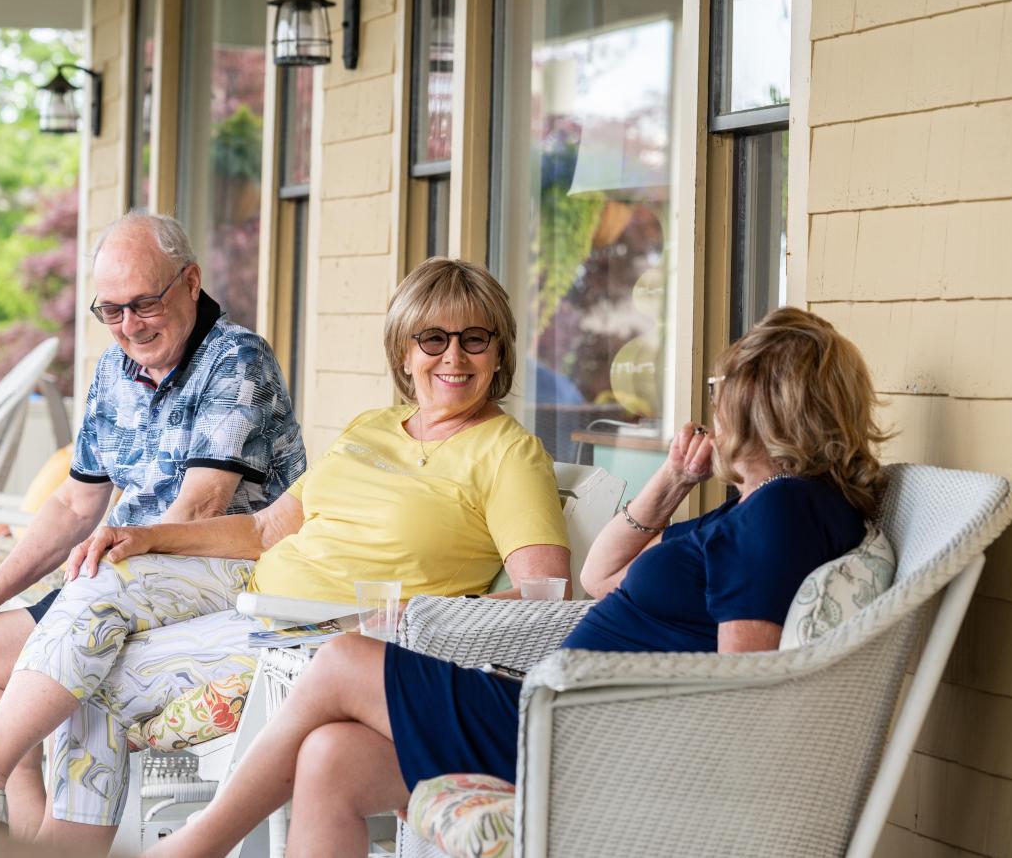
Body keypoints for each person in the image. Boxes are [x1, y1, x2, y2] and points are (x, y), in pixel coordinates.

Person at [0, 258, 571, 845]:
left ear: (500, 351)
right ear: (403, 350)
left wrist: (417, 620)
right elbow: (266, 530)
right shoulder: (374, 427)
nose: (453, 357)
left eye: (475, 340)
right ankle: (2, 777)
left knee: (89, 678)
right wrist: (144, 536)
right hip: (251, 597)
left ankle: (20, 795)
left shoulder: (509, 455)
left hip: (323, 636)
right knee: (96, 615)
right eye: (433, 339)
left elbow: (545, 600)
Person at [145, 305, 890, 858]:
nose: (715, 401)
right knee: (331, 758)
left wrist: (592, 707)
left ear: (756, 402)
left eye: (723, 385)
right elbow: (602, 578)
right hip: (567, 715)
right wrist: (672, 480)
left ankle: (196, 846)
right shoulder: (766, 508)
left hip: (587, 733)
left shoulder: (783, 512)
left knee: (342, 664)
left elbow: (745, 685)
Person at [0, 211, 307, 845]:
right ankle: (25, 832)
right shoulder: (114, 372)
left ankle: (9, 789)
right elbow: (75, 506)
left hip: (227, 572)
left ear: (190, 282)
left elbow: (201, 509)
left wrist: (110, 572)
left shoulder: (235, 360)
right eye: (112, 311)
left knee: (88, 641)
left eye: (145, 304)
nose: (129, 327)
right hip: (118, 576)